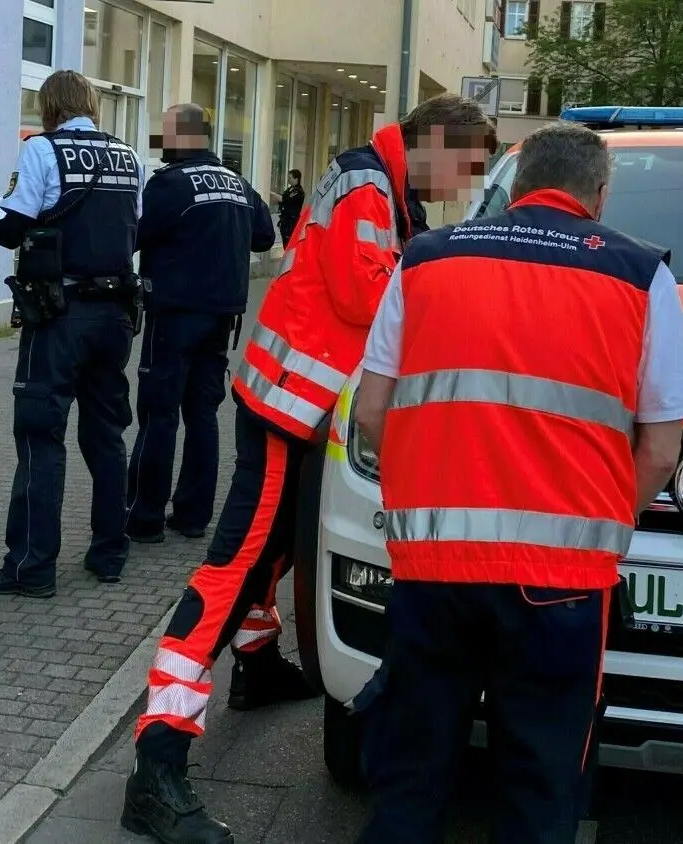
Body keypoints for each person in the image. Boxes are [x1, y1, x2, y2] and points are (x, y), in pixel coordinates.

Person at [119, 94, 497, 844]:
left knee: (280, 549)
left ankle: (258, 666)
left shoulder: (381, 182)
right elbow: (369, 296)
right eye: (467, 165)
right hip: (291, 408)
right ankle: (157, 765)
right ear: (432, 142)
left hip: (299, 404)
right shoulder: (367, 187)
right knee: (233, 570)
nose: (463, 184)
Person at [349, 121, 683, 843]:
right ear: (598, 195)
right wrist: (603, 524)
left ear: (519, 181)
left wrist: (424, 499)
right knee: (539, 789)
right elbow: (661, 451)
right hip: (562, 582)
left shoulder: (425, 258)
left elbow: (372, 410)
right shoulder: (640, 275)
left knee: (410, 775)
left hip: (434, 568)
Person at [0, 69, 145, 597]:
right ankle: (110, 552)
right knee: (107, 434)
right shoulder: (127, 154)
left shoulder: (42, 151)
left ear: (50, 107)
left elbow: (16, 223)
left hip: (61, 314)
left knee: (41, 436)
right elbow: (134, 228)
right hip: (116, 314)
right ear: (92, 105)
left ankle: (31, 567)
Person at [125, 104, 275, 546]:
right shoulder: (237, 183)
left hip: (174, 315)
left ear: (184, 136)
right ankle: (192, 515)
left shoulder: (169, 184)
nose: (162, 141)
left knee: (159, 415)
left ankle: (144, 516)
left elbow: (133, 231)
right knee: (203, 414)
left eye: (166, 132)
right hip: (222, 319)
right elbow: (264, 236)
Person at [274, 168, 304, 245]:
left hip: (291, 222)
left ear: (296, 178)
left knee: (289, 243)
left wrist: (270, 193)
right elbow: (282, 198)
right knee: (285, 242)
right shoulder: (290, 189)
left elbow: (283, 199)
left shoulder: (298, 191)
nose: (288, 179)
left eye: (290, 177)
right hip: (285, 221)